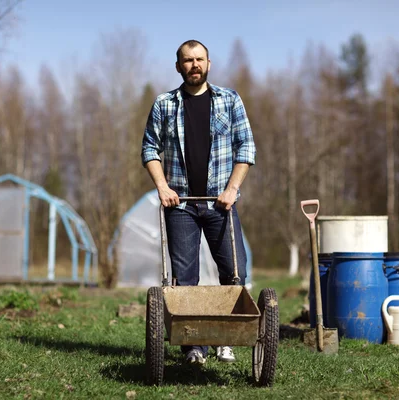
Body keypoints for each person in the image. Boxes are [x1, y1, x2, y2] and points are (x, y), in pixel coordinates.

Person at [141, 39, 256, 365]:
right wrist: (162, 187)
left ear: (209, 63)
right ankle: (193, 346)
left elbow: (246, 149)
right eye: (187, 60)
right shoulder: (165, 104)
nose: (194, 65)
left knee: (235, 272)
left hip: (221, 203)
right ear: (178, 66)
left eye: (199, 59)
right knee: (184, 278)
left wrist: (232, 189)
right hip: (181, 205)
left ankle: (226, 340)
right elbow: (150, 149)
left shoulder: (229, 100)